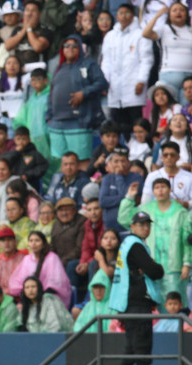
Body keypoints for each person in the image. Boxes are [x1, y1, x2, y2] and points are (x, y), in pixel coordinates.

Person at [110, 211, 167, 365]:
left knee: (131, 346)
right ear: (132, 227)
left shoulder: (127, 244)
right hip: (137, 302)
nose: (145, 227)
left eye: (147, 224)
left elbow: (148, 270)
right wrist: (155, 268)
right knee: (142, 345)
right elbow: (155, 272)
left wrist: (149, 269)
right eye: (141, 224)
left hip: (127, 302)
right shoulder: (136, 245)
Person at [118, 179, 192, 304]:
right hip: (151, 266)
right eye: (157, 187)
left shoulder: (181, 213)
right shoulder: (146, 209)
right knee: (154, 305)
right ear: (153, 191)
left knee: (174, 304)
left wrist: (186, 264)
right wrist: (130, 197)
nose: (160, 190)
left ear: (170, 190)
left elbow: (187, 240)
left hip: (174, 267)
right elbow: (124, 219)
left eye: (163, 187)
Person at [46, 34, 107, 169]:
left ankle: (81, 187)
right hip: (57, 123)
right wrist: (48, 117)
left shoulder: (89, 64)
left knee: (81, 161)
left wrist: (83, 93)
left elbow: (102, 83)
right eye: (66, 46)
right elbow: (51, 93)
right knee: (61, 162)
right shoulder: (58, 68)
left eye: (74, 45)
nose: (70, 48)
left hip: (79, 121)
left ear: (80, 47)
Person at [100, 4, 152, 135]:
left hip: (133, 87)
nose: (123, 16)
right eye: (121, 13)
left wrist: (141, 80)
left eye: (127, 13)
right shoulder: (110, 36)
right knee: (117, 126)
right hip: (115, 88)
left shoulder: (140, 34)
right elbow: (106, 62)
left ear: (133, 16)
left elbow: (147, 60)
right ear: (116, 16)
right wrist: (105, 82)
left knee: (135, 124)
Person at [142, 3, 192, 103]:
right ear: (169, 14)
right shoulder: (164, 28)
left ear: (187, 13)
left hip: (189, 77)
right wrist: (157, 16)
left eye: (182, 10)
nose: (178, 12)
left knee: (186, 110)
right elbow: (146, 33)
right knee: (170, 108)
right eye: (174, 10)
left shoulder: (190, 30)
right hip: (169, 74)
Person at [8, 230, 72, 307]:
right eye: (31, 241)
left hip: (48, 297)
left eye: (37, 240)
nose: (33, 243)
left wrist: (38, 296)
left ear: (44, 243)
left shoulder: (52, 258)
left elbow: (56, 284)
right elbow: (19, 281)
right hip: (29, 296)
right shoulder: (27, 259)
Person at [99, 147, 141, 231]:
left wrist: (118, 176)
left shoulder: (136, 178)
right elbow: (103, 201)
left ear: (128, 163)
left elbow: (130, 200)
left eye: (122, 161)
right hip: (110, 227)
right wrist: (125, 197)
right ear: (111, 163)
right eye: (116, 161)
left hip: (129, 226)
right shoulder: (107, 178)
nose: (119, 164)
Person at [142, 141, 192, 208]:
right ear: (162, 158)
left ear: (178, 157)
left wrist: (185, 204)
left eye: (172, 155)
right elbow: (145, 201)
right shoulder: (152, 176)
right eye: (165, 155)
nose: (169, 157)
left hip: (182, 214)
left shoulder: (189, 177)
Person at [50, 196, 86, 273]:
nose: (64, 213)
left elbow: (79, 248)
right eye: (61, 210)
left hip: (75, 261)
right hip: (59, 261)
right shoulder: (56, 225)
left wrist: (63, 261)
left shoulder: (82, 222)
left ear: (74, 211)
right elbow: (52, 247)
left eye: (67, 210)